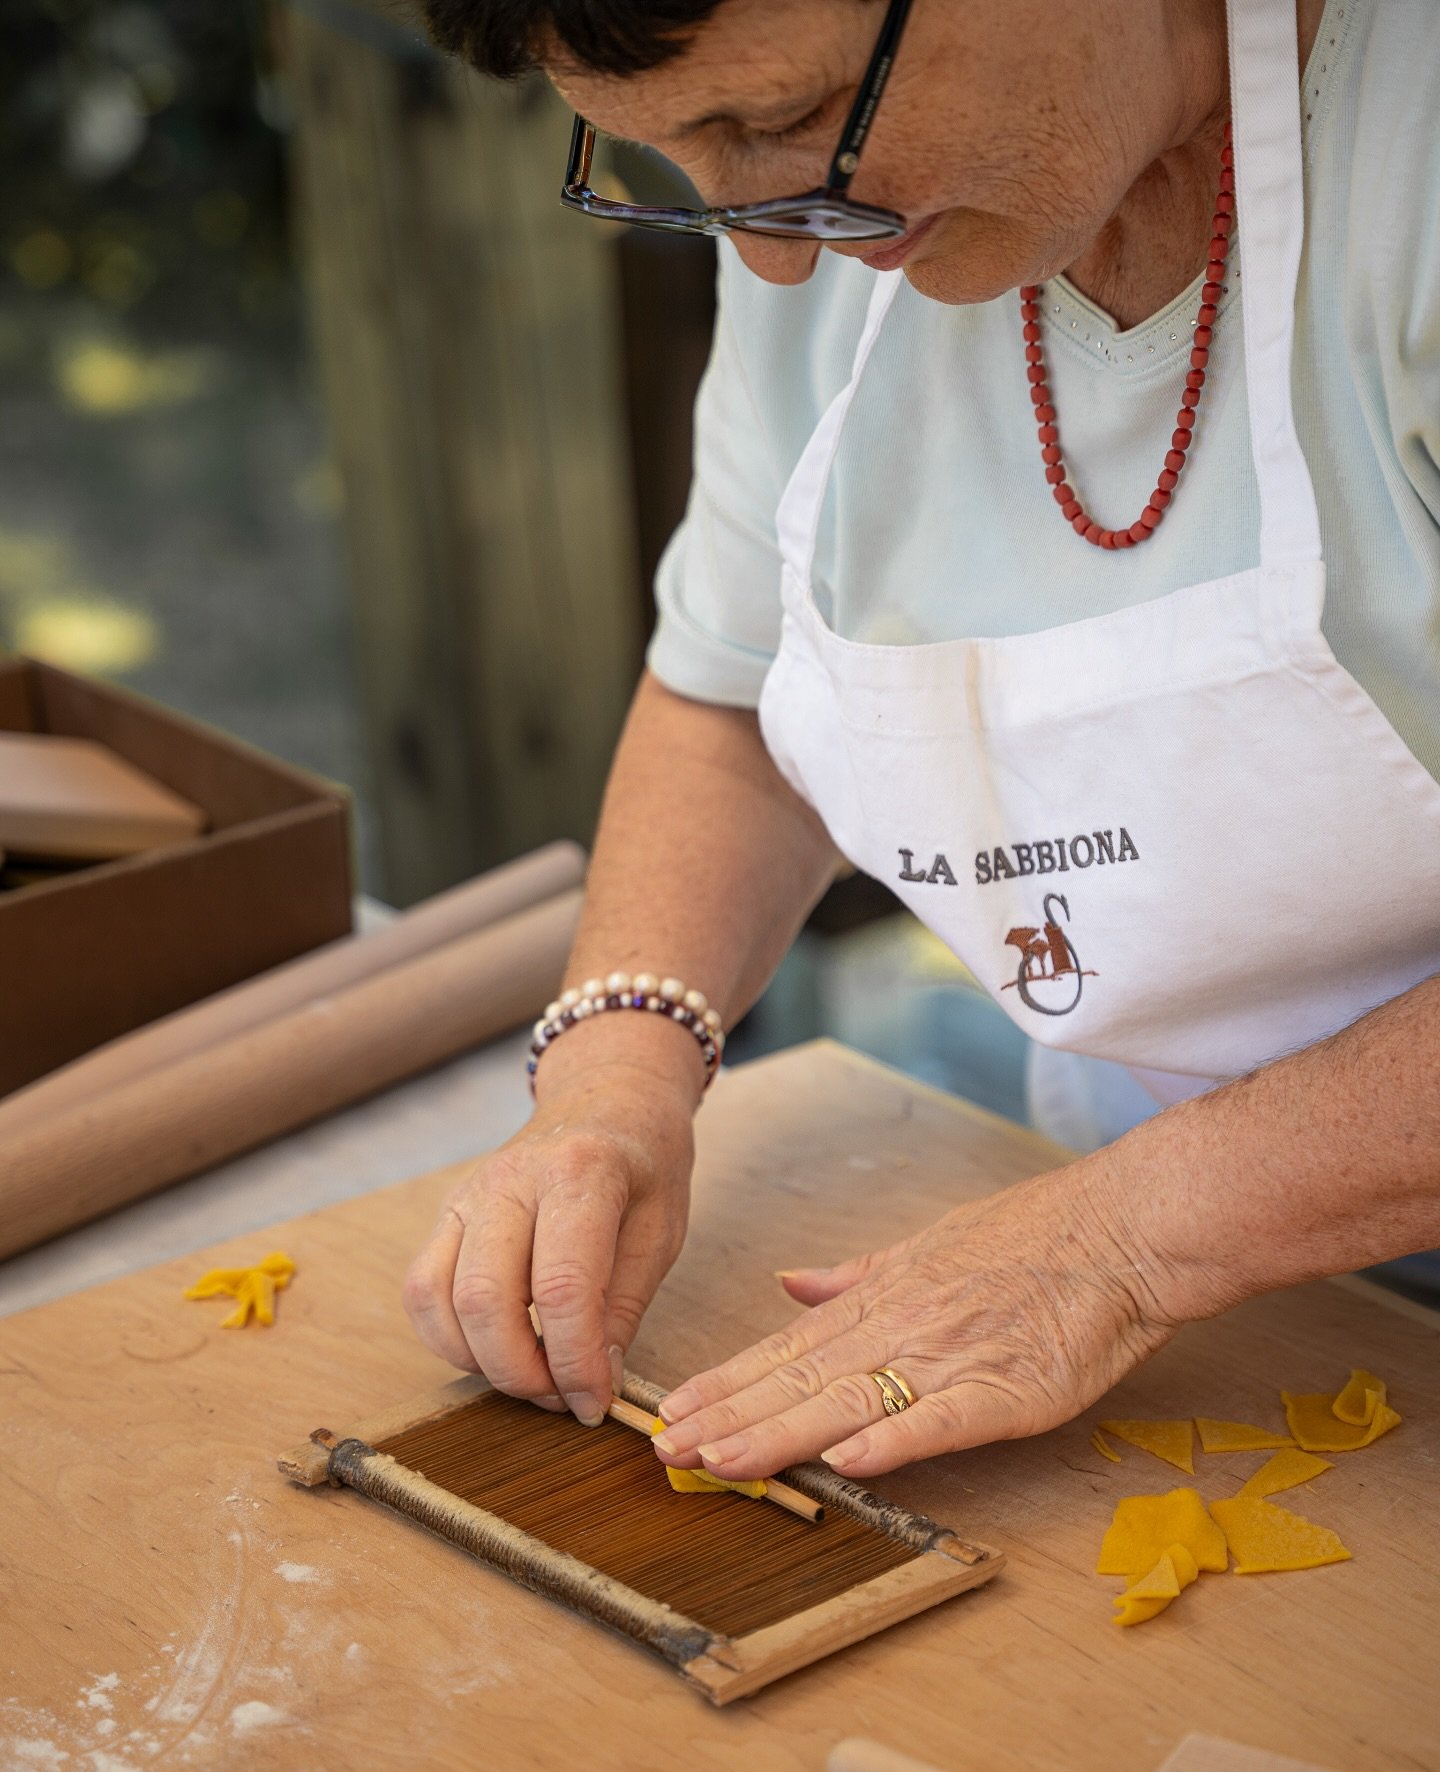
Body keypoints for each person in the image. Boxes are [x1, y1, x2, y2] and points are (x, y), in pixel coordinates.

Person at [402, 0, 1440, 1488]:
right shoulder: (840, 226)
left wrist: (1124, 1242)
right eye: (677, 152)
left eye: (782, 117)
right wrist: (616, 1079)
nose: (765, 245)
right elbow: (739, 689)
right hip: (1138, 1230)